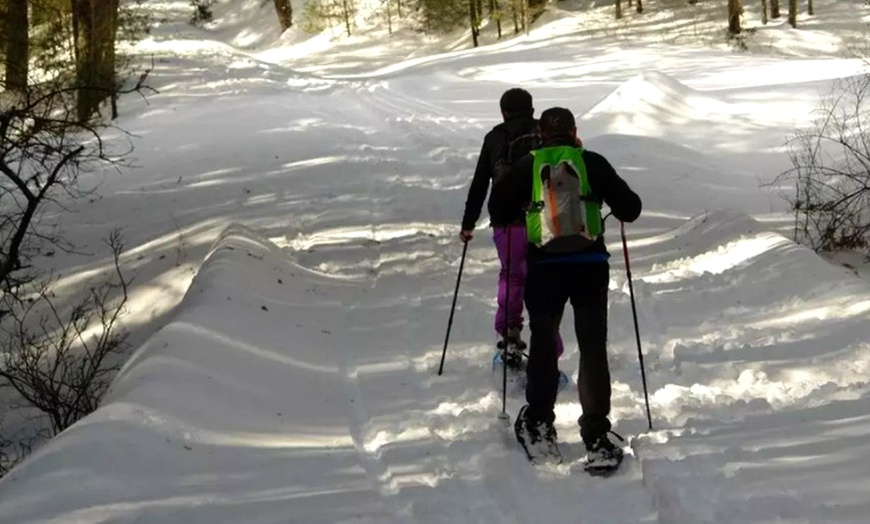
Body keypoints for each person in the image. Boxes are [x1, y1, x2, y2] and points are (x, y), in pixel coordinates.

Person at [490, 107, 642, 469]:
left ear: (541, 135)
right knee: (592, 346)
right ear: (575, 132)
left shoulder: (528, 164)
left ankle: (540, 423)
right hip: (590, 266)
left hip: (544, 267)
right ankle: (596, 434)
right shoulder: (591, 161)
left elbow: (497, 209)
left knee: (544, 341)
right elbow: (631, 208)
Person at [459, 88, 564, 363]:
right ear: (531, 109)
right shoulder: (545, 134)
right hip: (544, 219)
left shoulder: (495, 138)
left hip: (506, 221)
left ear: (503, 112)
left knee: (512, 274)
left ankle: (509, 330)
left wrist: (468, 223)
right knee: (543, 279)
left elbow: (480, 183)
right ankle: (550, 342)